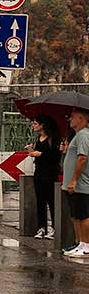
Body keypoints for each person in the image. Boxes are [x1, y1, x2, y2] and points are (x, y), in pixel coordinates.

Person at [61, 107, 89, 258]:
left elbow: (82, 157)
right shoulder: (77, 136)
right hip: (72, 184)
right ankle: (80, 243)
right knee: (76, 215)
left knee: (83, 215)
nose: (70, 119)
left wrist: (74, 179)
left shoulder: (83, 135)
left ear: (81, 119)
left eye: (73, 116)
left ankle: (86, 244)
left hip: (80, 183)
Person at [27, 117, 61, 238]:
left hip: (50, 174)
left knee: (51, 201)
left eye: (36, 123)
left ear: (43, 125)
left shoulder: (53, 139)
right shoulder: (38, 139)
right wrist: (32, 151)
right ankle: (41, 227)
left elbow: (56, 157)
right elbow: (37, 155)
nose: (33, 125)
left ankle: (54, 227)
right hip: (39, 173)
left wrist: (41, 154)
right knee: (40, 201)